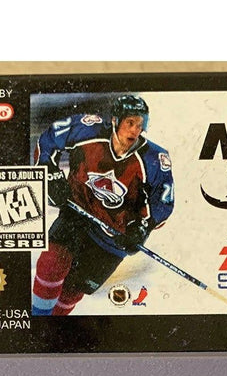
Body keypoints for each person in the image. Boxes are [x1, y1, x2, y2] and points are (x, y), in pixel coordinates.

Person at [31, 94, 174, 315]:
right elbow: (48, 141)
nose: (135, 130)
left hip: (114, 237)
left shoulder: (154, 159)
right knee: (52, 263)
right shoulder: (87, 129)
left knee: (73, 291)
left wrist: (141, 229)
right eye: (130, 122)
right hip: (77, 213)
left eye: (140, 124)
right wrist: (49, 173)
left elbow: (164, 203)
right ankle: (36, 321)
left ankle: (54, 328)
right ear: (115, 120)